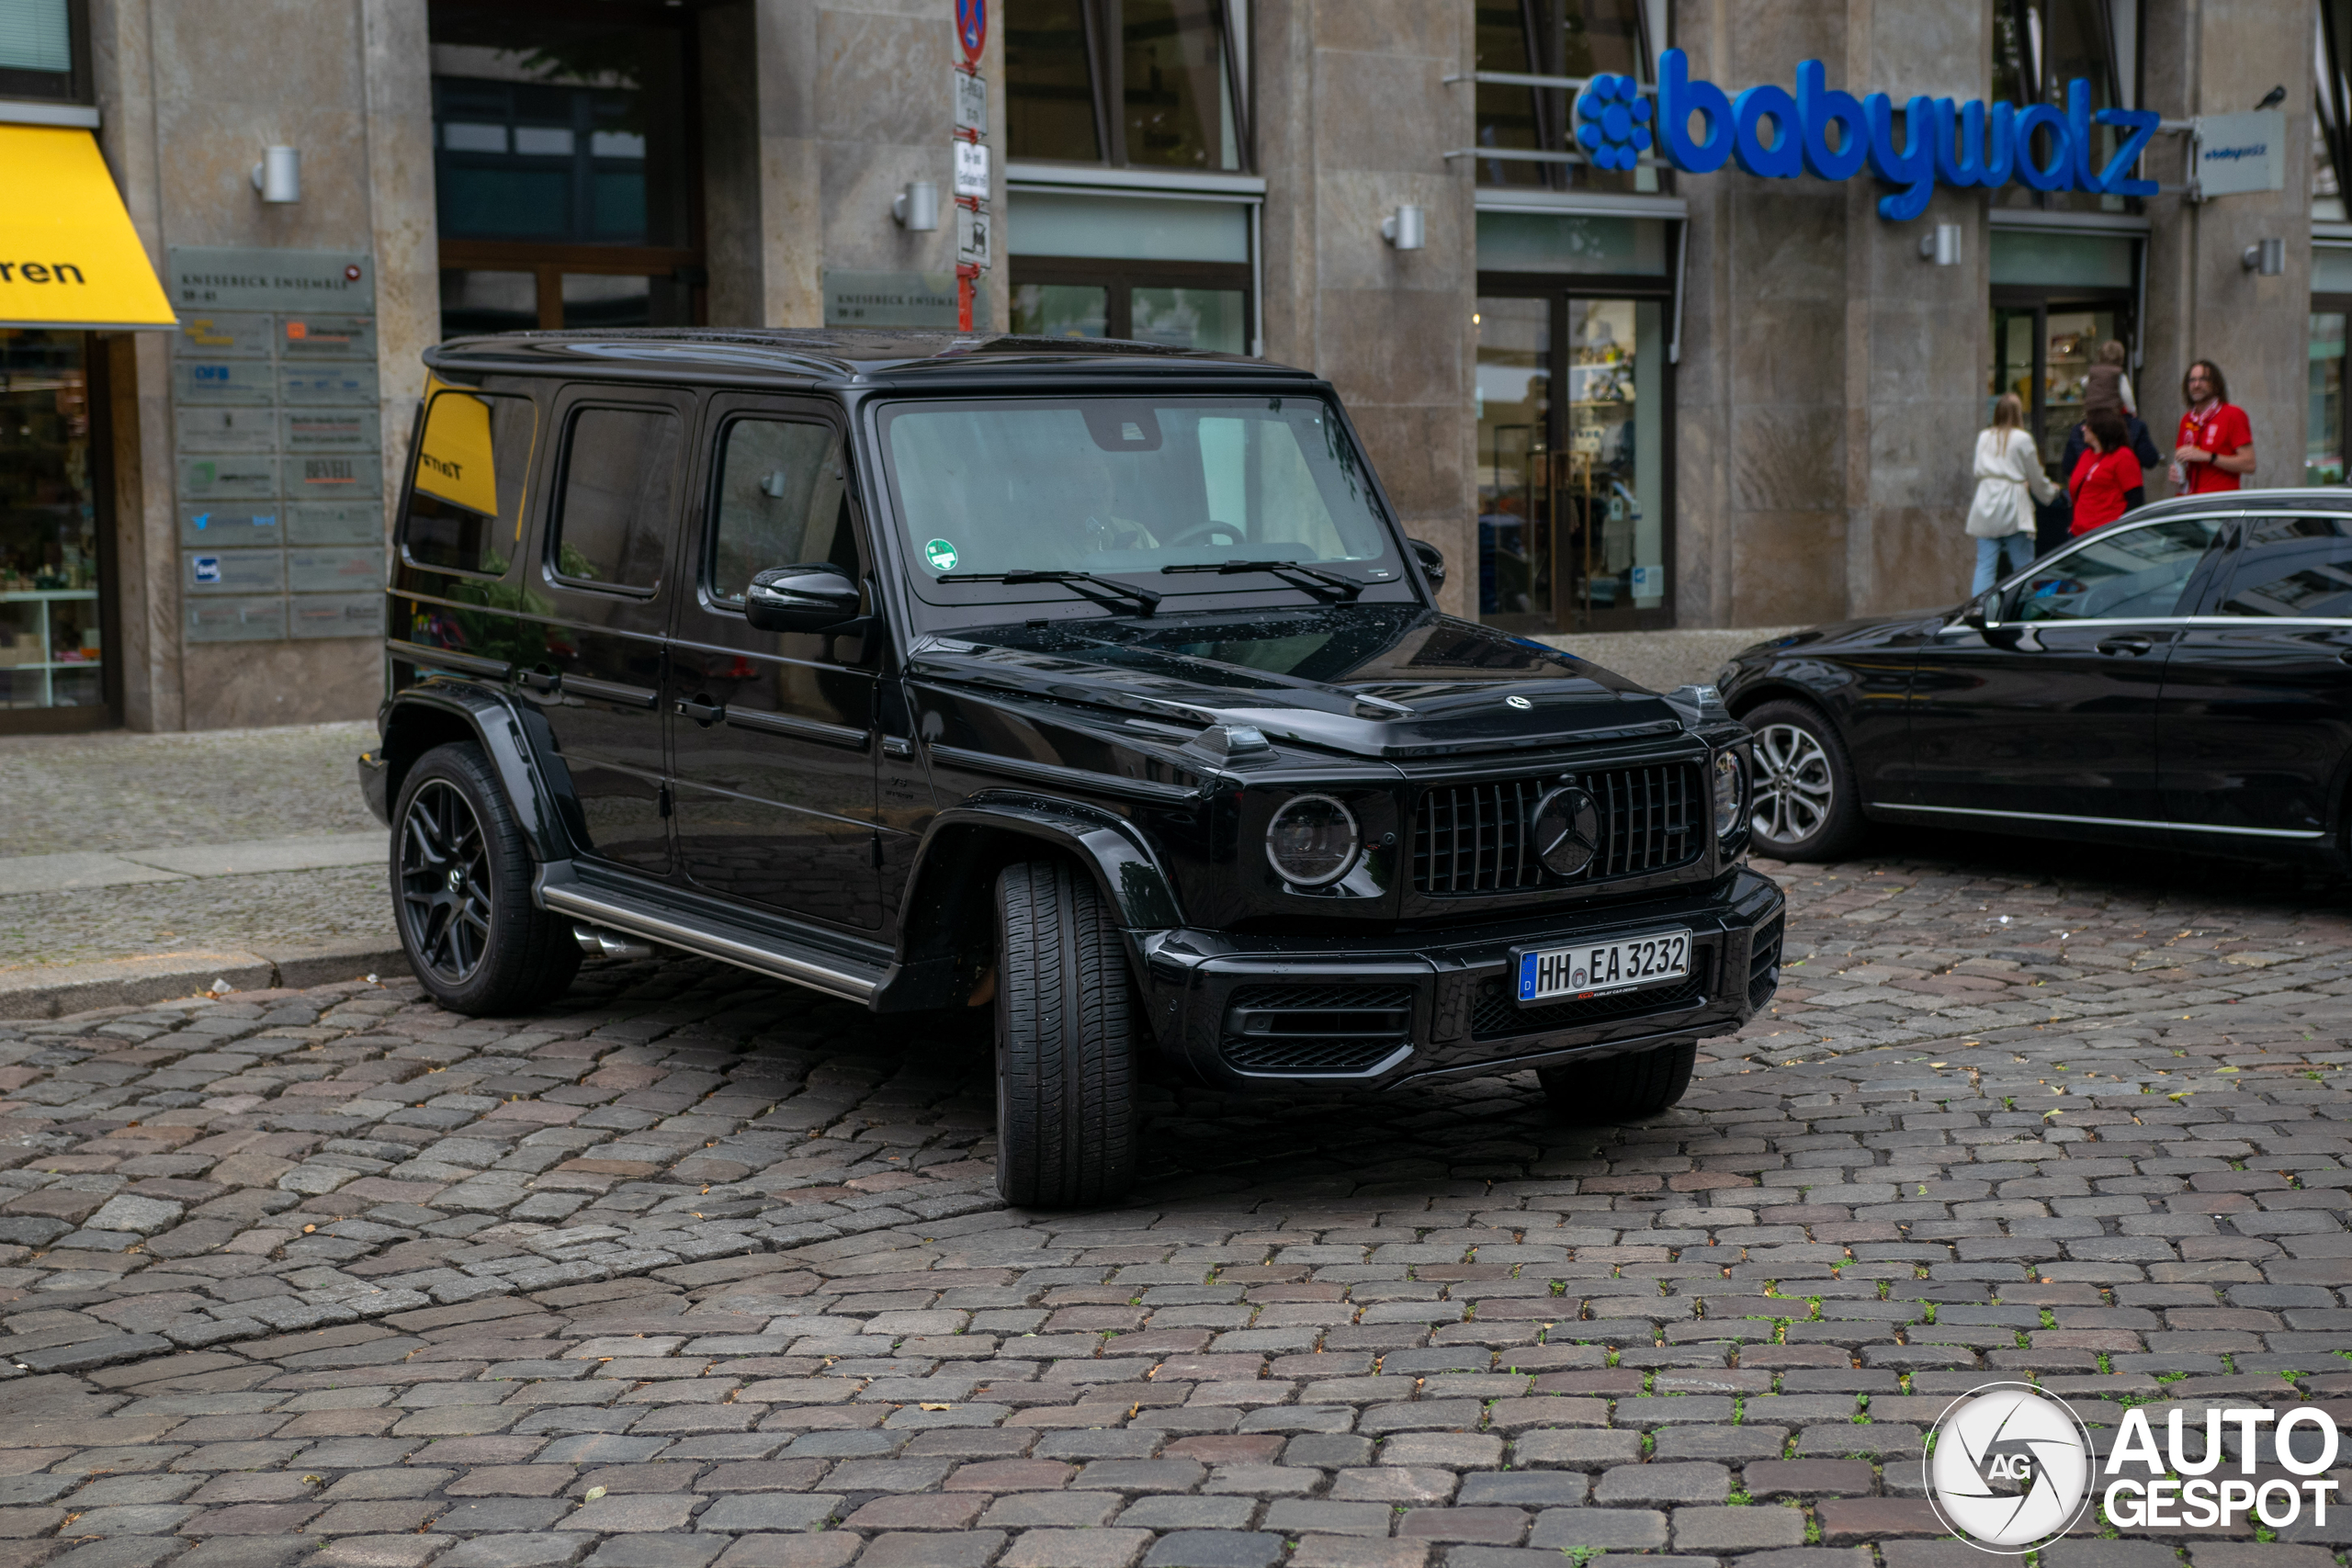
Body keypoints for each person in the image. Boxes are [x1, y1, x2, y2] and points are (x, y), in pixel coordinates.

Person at [1967, 392, 2054, 592]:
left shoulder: (1984, 436)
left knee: (1985, 566)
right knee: (2023, 566)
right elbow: (2035, 475)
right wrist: (2049, 494)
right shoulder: (2022, 438)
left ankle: (1980, 612)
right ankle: (2023, 611)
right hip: (2013, 505)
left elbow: (1977, 469)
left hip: (1985, 502)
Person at [2173, 358, 2255, 492]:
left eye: (2203, 379)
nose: (2196, 384)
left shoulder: (2233, 414)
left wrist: (2209, 457)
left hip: (2219, 503)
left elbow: (2249, 464)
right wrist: (2176, 473)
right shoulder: (2186, 419)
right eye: (2192, 380)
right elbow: (2182, 461)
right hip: (2188, 502)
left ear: (2216, 385)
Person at [2069, 408, 2144, 534]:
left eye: (2087, 425)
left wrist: (2119, 530)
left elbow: (2135, 499)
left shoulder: (2123, 456)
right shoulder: (2086, 455)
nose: (2083, 428)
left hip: (2107, 535)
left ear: (2100, 430)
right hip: (2079, 533)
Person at [2083, 339, 2136, 418]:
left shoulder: (2094, 372)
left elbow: (2084, 382)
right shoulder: (2119, 375)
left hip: (2093, 413)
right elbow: (2126, 394)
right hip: (2113, 414)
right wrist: (2132, 410)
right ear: (2121, 359)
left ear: (2100, 356)